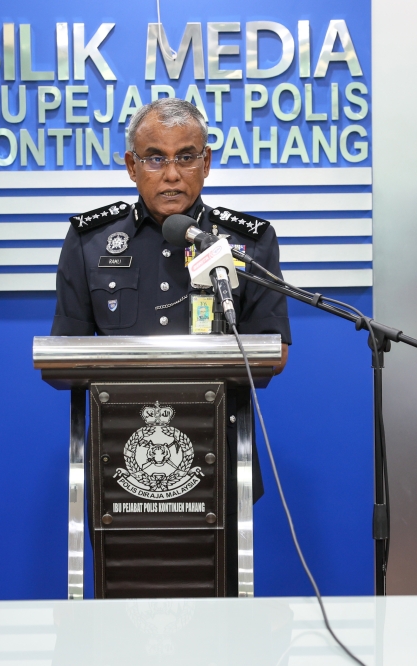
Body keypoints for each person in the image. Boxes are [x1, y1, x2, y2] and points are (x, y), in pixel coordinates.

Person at [51, 97, 291, 595]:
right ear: (131, 166)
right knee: (123, 617)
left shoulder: (247, 242)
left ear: (206, 163)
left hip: (220, 464)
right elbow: (61, 360)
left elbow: (272, 354)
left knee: (218, 620)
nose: (172, 174)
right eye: (156, 157)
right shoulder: (89, 241)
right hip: (119, 466)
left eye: (186, 156)